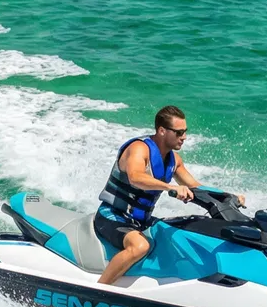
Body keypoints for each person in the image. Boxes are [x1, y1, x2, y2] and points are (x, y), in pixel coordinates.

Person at [94, 106, 243, 285]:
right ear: (162, 131)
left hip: (140, 220)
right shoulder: (139, 149)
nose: (184, 137)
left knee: (177, 234)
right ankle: (99, 290)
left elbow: (196, 186)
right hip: (113, 215)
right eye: (179, 132)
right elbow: (136, 177)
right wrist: (169, 187)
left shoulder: (174, 161)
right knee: (140, 246)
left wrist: (228, 197)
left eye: (185, 132)